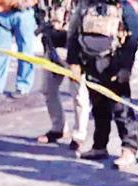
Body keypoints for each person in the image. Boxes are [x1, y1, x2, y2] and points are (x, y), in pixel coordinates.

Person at [66, 0, 138, 168]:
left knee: (121, 109)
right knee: (99, 109)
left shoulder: (124, 8)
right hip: (91, 64)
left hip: (115, 66)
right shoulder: (85, 6)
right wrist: (74, 63)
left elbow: (134, 39)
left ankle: (129, 149)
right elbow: (73, 34)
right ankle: (99, 146)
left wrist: (125, 67)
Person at [34, 0, 90, 152]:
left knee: (79, 94)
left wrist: (76, 60)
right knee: (48, 89)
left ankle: (79, 135)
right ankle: (58, 128)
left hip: (74, 50)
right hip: (52, 49)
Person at [0, 0, 37, 96]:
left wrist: (29, 2)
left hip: (23, 13)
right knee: (0, 52)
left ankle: (23, 86)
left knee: (25, 52)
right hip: (1, 14)